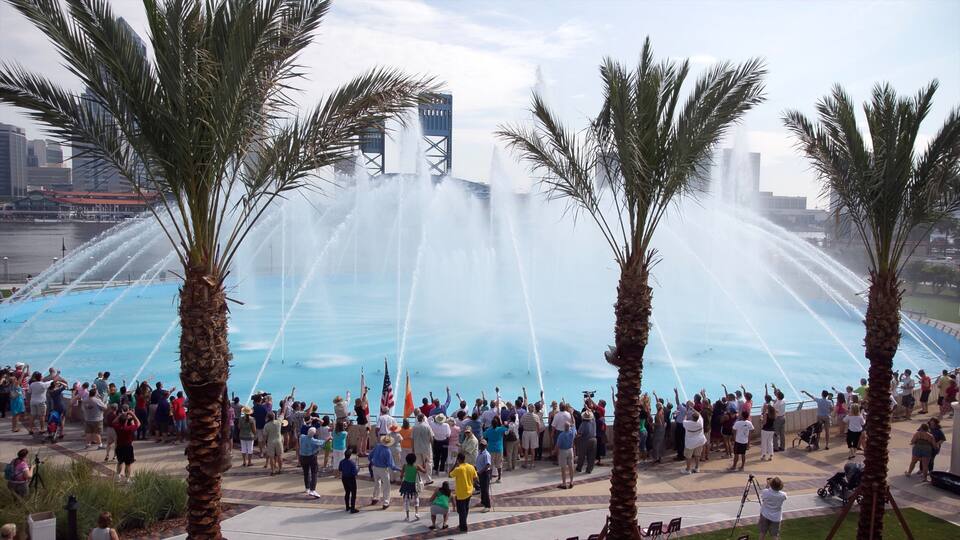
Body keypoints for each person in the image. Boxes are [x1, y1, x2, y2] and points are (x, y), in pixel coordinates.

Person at [448, 452, 478, 533]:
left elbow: (449, 475)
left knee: (461, 511)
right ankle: (463, 523)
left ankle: (463, 527)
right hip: (469, 491)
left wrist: (455, 465)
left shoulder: (458, 469)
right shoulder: (471, 467)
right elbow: (475, 478)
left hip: (461, 493)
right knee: (465, 508)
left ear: (458, 459)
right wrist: (472, 485)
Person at [369, 434, 401, 509]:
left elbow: (370, 456)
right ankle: (386, 502)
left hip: (375, 467)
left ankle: (375, 498)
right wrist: (400, 469)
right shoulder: (387, 451)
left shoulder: (377, 446)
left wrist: (372, 462)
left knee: (377, 483)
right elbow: (391, 465)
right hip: (383, 470)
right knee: (386, 486)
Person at [113, 407, 140, 482]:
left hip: (119, 446)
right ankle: (127, 479)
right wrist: (132, 414)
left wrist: (121, 415)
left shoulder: (117, 427)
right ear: (126, 421)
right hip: (128, 447)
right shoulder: (129, 428)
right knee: (128, 464)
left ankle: (117, 476)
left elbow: (114, 422)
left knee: (120, 461)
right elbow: (138, 423)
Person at [399, 453, 425, 521]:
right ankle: (417, 513)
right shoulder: (417, 466)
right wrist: (424, 464)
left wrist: (401, 479)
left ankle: (407, 516)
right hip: (414, 485)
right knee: (416, 498)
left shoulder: (405, 466)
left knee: (407, 500)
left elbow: (401, 476)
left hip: (406, 484)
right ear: (414, 460)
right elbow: (424, 471)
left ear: (406, 460)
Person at [27, 372, 52, 440]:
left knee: (32, 415)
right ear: (41, 377)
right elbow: (51, 381)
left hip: (33, 401)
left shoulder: (32, 384)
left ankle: (31, 429)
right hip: (41, 402)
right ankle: (42, 429)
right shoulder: (43, 385)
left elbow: (29, 392)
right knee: (42, 416)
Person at [299, 426, 323, 498]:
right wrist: (329, 438)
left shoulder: (302, 437)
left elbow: (300, 436)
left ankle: (307, 488)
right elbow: (322, 443)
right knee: (314, 473)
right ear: (314, 434)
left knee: (306, 472)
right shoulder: (313, 441)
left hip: (302, 456)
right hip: (311, 457)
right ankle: (313, 490)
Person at [483, 416, 508, 483]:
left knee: (490, 464)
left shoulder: (489, 430)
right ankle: (499, 477)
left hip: (490, 449)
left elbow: (484, 435)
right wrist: (504, 424)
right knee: (499, 464)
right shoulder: (501, 429)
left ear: (491, 424)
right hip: (499, 448)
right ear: (497, 424)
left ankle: (490, 478)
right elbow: (507, 429)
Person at [412, 413, 435, 485]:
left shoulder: (414, 427)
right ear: (423, 419)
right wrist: (432, 446)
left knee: (418, 463)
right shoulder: (427, 427)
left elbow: (412, 439)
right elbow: (432, 438)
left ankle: (420, 479)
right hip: (426, 448)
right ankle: (428, 479)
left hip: (417, 448)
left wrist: (413, 448)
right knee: (428, 463)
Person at [682, 409, 706, 474]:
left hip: (690, 443)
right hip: (699, 441)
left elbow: (684, 420)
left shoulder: (687, 423)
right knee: (697, 455)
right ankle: (697, 468)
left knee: (688, 456)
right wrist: (693, 409)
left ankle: (688, 469)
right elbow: (699, 414)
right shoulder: (700, 422)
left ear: (692, 418)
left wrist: (686, 415)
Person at [520, 402, 542, 469]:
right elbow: (538, 426)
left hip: (526, 432)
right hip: (533, 433)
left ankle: (526, 463)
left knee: (526, 449)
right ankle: (532, 463)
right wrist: (538, 434)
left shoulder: (524, 415)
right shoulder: (536, 416)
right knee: (533, 449)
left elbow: (521, 423)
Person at [576, 409, 597, 473]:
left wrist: (575, 437)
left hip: (585, 440)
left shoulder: (583, 424)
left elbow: (579, 434)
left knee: (581, 455)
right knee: (591, 456)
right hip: (593, 440)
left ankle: (579, 468)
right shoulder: (593, 421)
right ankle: (589, 469)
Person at [556, 422, 576, 489]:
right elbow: (574, 424)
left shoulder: (561, 435)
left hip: (563, 451)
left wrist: (554, 451)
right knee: (571, 466)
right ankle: (571, 482)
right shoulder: (572, 432)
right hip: (570, 450)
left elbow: (558, 445)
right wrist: (571, 414)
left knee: (563, 468)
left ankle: (564, 483)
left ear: (564, 427)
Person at [339, 449, 359, 513]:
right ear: (350, 455)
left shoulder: (341, 462)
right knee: (353, 493)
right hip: (351, 479)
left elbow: (340, 469)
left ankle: (347, 506)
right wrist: (358, 470)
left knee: (347, 492)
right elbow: (354, 473)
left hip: (344, 478)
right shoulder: (352, 463)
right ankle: (353, 508)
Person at [475, 441, 492, 511]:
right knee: (482, 488)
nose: (481, 446)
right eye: (481, 444)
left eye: (483, 445)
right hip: (480, 473)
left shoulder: (486, 454)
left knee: (485, 490)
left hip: (485, 473)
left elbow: (488, 465)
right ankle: (482, 502)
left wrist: (480, 472)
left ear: (486, 446)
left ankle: (488, 506)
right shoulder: (480, 452)